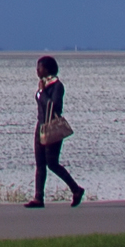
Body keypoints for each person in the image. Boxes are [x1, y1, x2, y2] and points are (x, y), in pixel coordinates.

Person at [29, 55, 84, 206]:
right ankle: (38, 197)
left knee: (52, 163)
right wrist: (41, 91)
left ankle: (76, 189)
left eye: (39, 67)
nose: (37, 70)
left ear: (47, 69)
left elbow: (53, 105)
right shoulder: (43, 84)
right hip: (40, 126)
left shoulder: (57, 86)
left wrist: (42, 93)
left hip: (52, 126)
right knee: (40, 164)